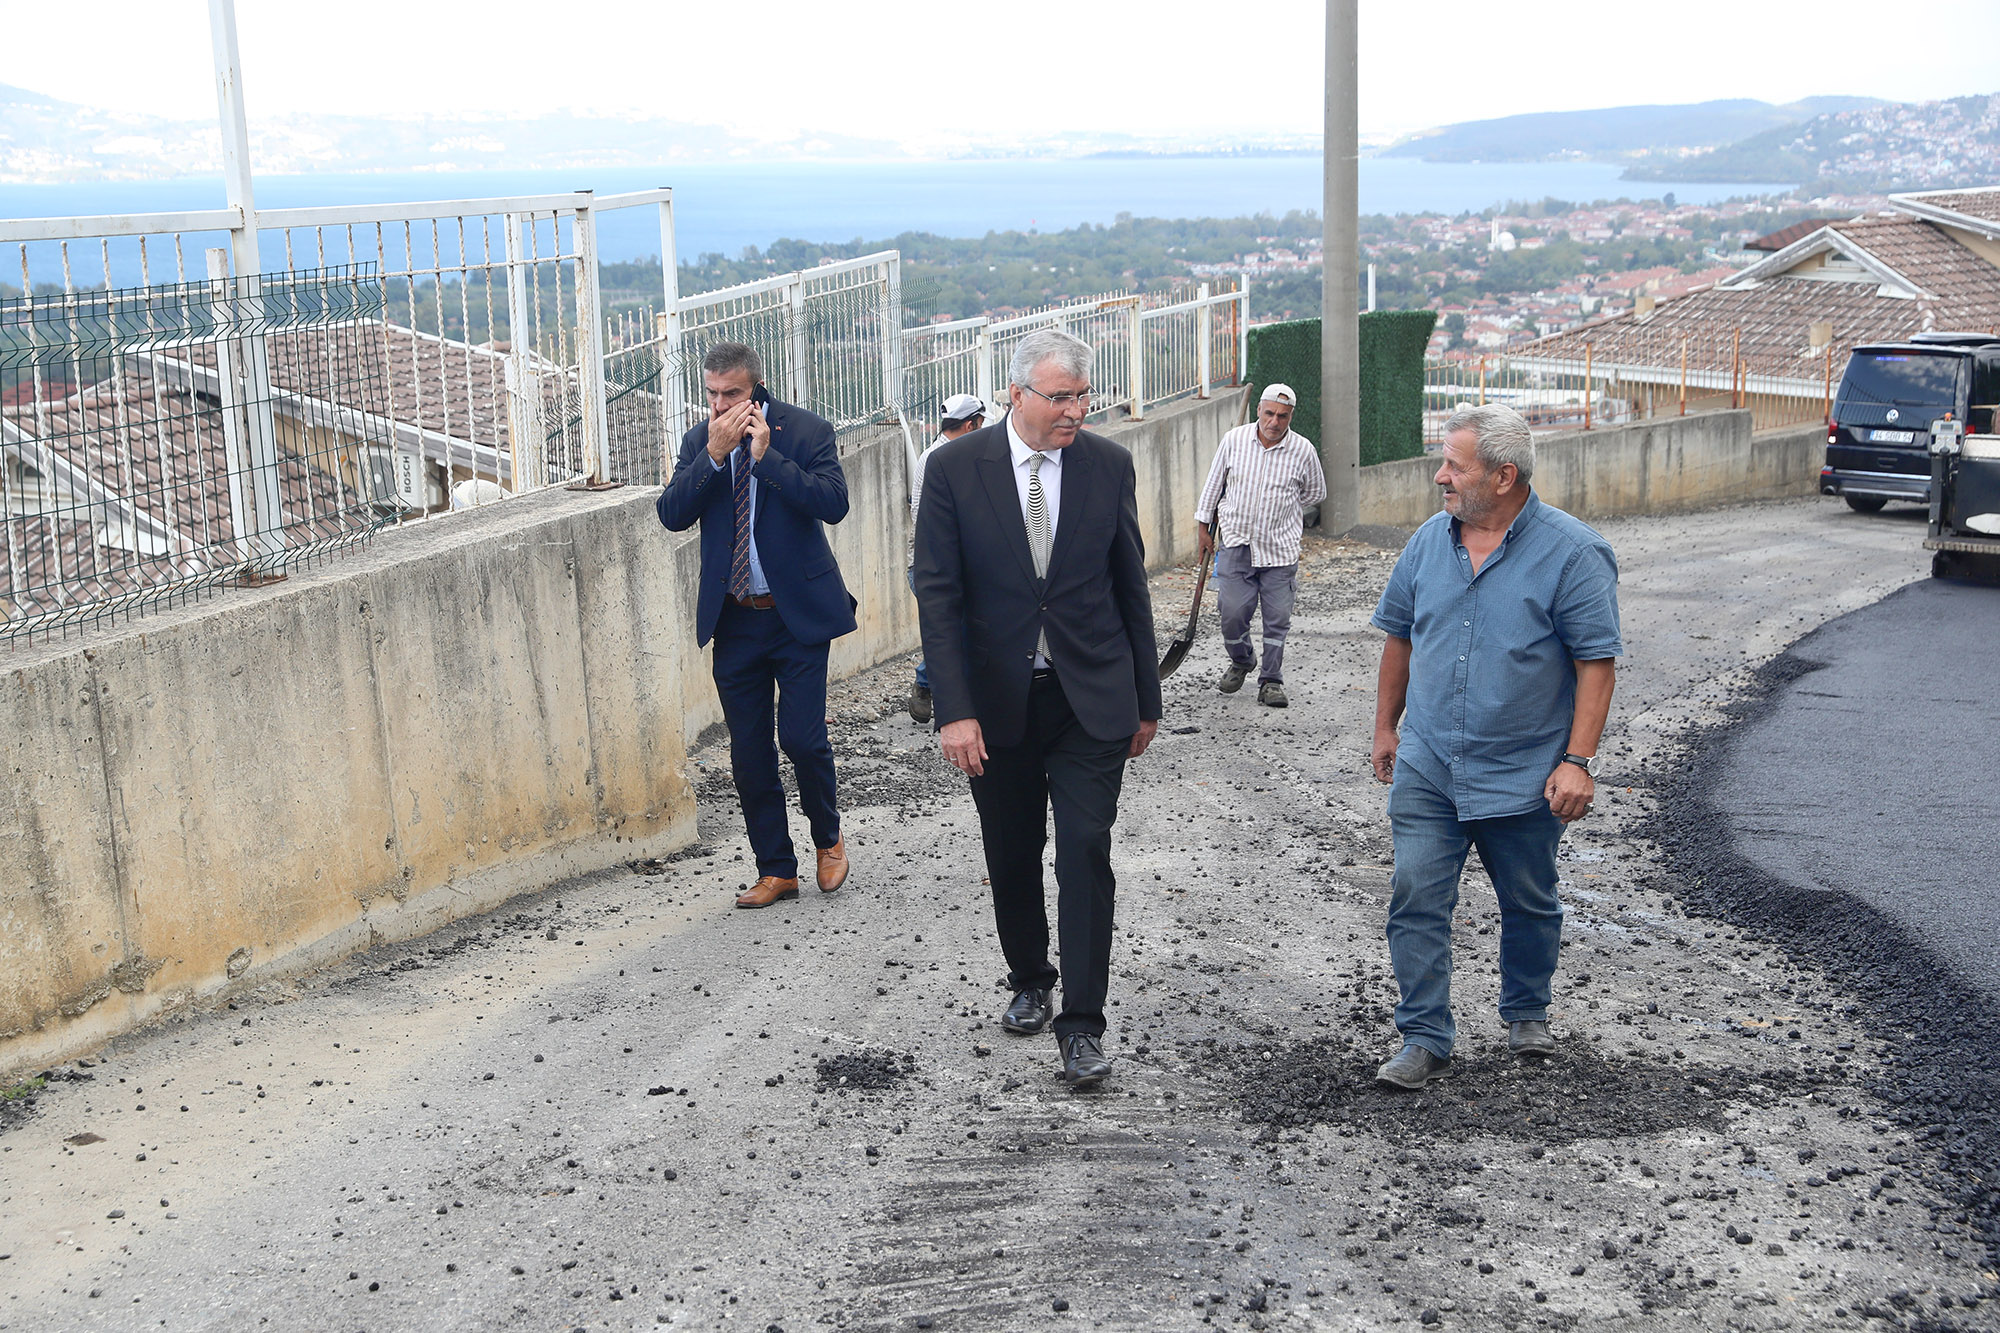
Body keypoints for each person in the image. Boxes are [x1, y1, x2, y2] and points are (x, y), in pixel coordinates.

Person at [912, 329, 1161, 1088]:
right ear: (1016, 394)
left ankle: (1082, 1025)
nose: (1076, 411)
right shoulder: (954, 469)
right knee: (1012, 850)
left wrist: (1146, 699)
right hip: (996, 704)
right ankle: (1029, 976)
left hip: (1091, 699)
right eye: (1060, 397)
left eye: (1084, 396)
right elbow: (939, 597)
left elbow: (1130, 585)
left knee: (1084, 849)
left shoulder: (1107, 465)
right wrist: (954, 710)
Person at [1368, 403, 1621, 1088]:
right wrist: (1386, 726)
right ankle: (1424, 1036)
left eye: (1455, 465)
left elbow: (1596, 664)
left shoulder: (1574, 553)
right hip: (1430, 764)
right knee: (1416, 895)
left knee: (1530, 899)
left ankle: (1527, 1011)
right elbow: (1400, 636)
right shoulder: (1428, 542)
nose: (1440, 476)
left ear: (1504, 476)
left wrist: (1578, 762)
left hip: (1524, 770)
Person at [658, 342, 857, 909]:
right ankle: (776, 869)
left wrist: (767, 460)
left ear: (756, 390)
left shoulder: (806, 431)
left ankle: (828, 838)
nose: (721, 406)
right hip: (735, 619)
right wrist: (713, 457)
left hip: (796, 617)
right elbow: (672, 514)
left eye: (733, 394)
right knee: (748, 753)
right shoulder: (700, 442)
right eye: (712, 395)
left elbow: (833, 503)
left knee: (801, 739)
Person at [1194, 383, 1328, 708]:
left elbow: (1316, 492)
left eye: (1282, 416)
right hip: (1236, 543)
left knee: (1277, 618)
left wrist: (1283, 509)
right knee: (1231, 613)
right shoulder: (1234, 440)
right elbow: (1213, 485)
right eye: (1269, 413)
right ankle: (1242, 659)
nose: (1274, 421)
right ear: (1258, 411)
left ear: (1291, 416)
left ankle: (1271, 680)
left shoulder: (1303, 450)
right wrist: (1203, 528)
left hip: (1279, 550)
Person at [906, 392, 988, 724]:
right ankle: (931, 688)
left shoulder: (965, 455)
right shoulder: (937, 459)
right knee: (952, 631)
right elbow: (923, 518)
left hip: (962, 564)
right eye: (980, 424)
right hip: (934, 566)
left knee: (963, 630)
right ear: (970, 425)